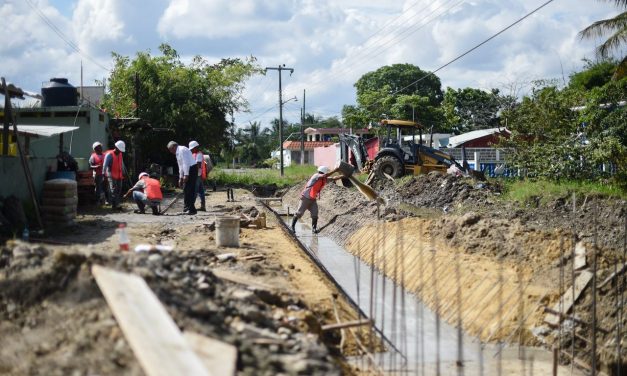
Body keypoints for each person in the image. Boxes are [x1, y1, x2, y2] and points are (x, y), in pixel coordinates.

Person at [291, 165, 344, 234]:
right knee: (299, 213)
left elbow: (334, 178)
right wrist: (334, 170)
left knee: (315, 214)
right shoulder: (316, 176)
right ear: (323, 172)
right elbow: (324, 176)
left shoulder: (324, 179)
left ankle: (314, 228)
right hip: (305, 198)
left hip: (313, 199)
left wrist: (344, 176)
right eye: (326, 173)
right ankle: (292, 227)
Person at [167, 141, 198, 215]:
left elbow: (185, 163)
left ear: (174, 146)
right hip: (188, 169)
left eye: (170, 149)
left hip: (191, 169)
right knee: (186, 189)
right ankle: (188, 208)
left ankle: (190, 209)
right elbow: (180, 166)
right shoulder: (177, 153)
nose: (171, 151)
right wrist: (180, 177)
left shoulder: (182, 150)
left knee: (188, 189)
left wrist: (186, 175)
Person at [103, 140, 126, 211]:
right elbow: (105, 165)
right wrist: (104, 174)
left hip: (119, 174)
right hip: (111, 174)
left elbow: (121, 163)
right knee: (113, 189)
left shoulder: (120, 154)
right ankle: (114, 205)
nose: (120, 151)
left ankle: (117, 203)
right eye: (119, 150)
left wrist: (123, 171)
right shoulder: (109, 155)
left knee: (119, 189)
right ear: (116, 147)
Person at [189, 140, 207, 211]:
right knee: (201, 191)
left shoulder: (198, 154)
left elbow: (198, 165)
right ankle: (203, 206)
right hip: (198, 175)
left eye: (192, 149)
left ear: (195, 147)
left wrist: (192, 174)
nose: (191, 150)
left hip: (196, 175)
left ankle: (191, 206)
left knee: (195, 191)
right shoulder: (194, 154)